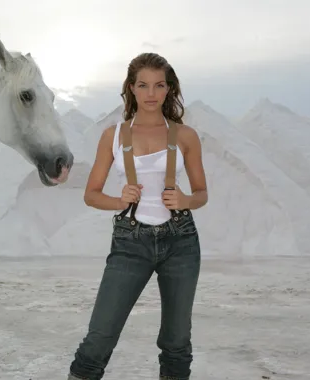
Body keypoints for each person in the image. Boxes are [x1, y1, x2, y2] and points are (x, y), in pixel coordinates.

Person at [66, 52, 208, 380]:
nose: (151, 93)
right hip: (131, 242)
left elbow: (202, 193)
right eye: (143, 85)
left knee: (176, 340)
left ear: (169, 89)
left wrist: (186, 198)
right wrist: (119, 200)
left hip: (181, 242)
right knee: (100, 335)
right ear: (131, 88)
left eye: (159, 85)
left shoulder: (185, 136)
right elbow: (91, 195)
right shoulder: (113, 135)